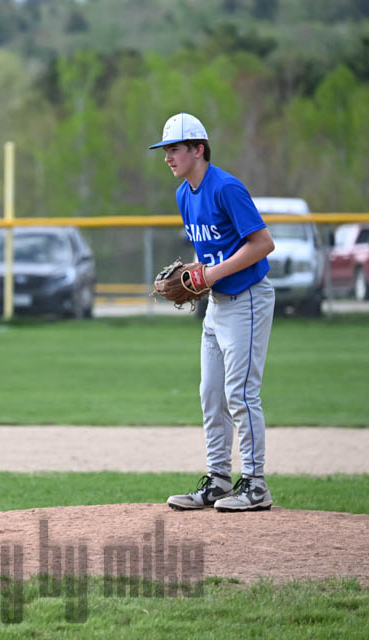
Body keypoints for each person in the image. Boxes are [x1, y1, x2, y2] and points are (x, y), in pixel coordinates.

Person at [149, 113, 277, 512]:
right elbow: (209, 252)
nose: (167, 157)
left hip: (247, 298)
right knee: (210, 393)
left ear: (198, 149)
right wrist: (194, 273)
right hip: (216, 305)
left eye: (174, 149)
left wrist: (211, 274)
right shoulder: (184, 194)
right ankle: (219, 480)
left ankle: (255, 484)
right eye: (165, 150)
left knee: (241, 394)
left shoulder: (226, 188)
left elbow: (263, 244)